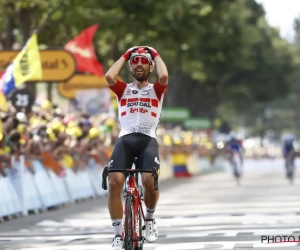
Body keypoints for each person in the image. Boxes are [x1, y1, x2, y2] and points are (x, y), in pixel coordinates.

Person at [105, 46, 168, 250]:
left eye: (143, 61)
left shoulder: (156, 90)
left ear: (150, 66)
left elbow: (165, 75)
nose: (138, 63)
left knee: (149, 180)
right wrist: (126, 54)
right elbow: (109, 75)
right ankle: (117, 235)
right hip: (125, 139)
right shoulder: (123, 89)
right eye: (135, 61)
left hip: (147, 140)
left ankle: (149, 220)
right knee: (114, 181)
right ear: (130, 67)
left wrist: (155, 54)